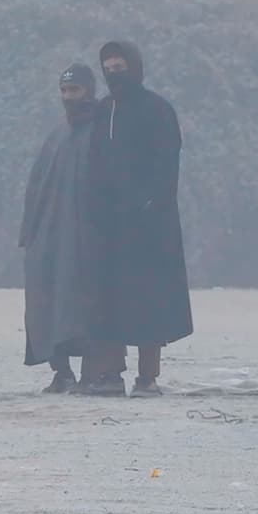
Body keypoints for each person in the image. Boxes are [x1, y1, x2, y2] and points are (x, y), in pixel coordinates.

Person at [86, 38, 195, 396]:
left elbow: (167, 167)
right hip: (109, 225)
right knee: (108, 299)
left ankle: (147, 377)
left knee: (149, 302)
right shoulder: (103, 112)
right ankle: (110, 374)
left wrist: (150, 205)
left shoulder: (158, 110)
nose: (114, 74)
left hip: (149, 225)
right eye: (109, 68)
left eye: (121, 67)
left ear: (135, 68)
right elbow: (96, 164)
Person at [18, 63, 106, 392]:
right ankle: (61, 370)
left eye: (75, 90)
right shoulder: (56, 137)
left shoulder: (100, 133)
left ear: (89, 91)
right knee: (46, 301)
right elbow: (36, 187)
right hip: (49, 237)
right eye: (64, 91)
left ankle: (93, 371)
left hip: (85, 239)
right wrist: (29, 234)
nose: (69, 97)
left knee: (82, 304)